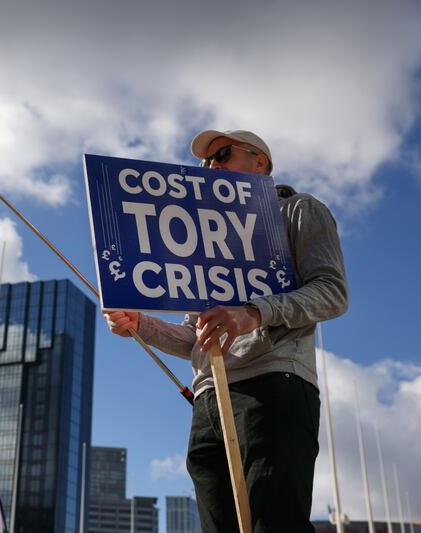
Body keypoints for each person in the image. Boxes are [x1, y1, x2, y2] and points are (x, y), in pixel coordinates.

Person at [106, 130, 348, 532]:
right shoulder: (202, 237)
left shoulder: (298, 210)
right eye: (206, 162)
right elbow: (196, 337)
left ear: (260, 163)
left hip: (273, 385)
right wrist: (141, 324)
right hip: (208, 403)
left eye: (221, 154)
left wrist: (254, 312)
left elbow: (332, 292)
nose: (211, 166)